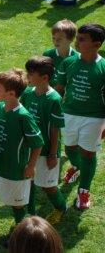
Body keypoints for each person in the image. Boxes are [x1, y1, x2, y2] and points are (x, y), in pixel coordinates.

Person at [0, 70, 43, 233]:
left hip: (15, 169)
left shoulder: (24, 116)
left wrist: (31, 166)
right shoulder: (0, 108)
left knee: (17, 203)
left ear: (10, 94)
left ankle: (21, 232)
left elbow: (38, 143)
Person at [55, 23, 105, 210]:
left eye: (82, 39)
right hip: (68, 114)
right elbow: (59, 90)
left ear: (96, 44)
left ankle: (84, 191)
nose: (77, 42)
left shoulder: (103, 68)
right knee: (70, 149)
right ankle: (77, 167)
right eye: (77, 38)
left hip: (94, 117)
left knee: (88, 153)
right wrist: (52, 111)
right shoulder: (68, 63)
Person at [21, 57, 67, 222]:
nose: (27, 76)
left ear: (45, 78)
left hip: (47, 150)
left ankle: (61, 208)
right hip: (29, 149)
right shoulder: (27, 93)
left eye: (31, 74)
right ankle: (30, 214)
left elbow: (55, 129)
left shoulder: (54, 99)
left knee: (48, 186)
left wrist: (53, 154)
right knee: (29, 181)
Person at [43, 19, 78, 85]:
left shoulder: (77, 57)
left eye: (60, 39)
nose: (55, 41)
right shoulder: (48, 55)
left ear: (71, 39)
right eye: (53, 38)